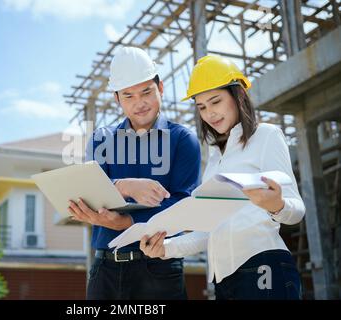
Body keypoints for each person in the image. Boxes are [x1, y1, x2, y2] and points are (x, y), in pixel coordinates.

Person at [140, 55, 305, 300]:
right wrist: (165, 248)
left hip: (263, 265)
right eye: (202, 107)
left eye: (215, 101)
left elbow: (297, 210)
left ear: (237, 95)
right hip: (224, 280)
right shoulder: (215, 160)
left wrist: (276, 205)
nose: (210, 114)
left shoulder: (266, 136)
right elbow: (210, 232)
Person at [68, 47, 201, 299]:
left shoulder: (183, 140)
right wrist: (124, 186)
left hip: (158, 270)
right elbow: (86, 191)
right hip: (105, 270)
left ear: (160, 88)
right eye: (128, 96)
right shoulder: (101, 141)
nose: (139, 103)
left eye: (146, 92)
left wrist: (126, 223)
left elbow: (184, 206)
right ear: (117, 99)